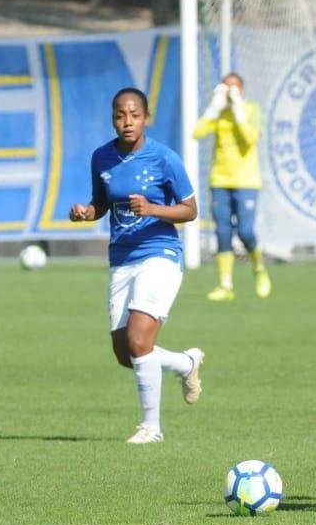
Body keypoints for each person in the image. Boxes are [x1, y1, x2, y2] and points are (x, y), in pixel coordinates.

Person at [69, 88, 205, 443]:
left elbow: (190, 210)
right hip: (122, 259)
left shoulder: (164, 158)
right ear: (113, 118)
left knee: (139, 341)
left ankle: (151, 428)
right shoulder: (102, 158)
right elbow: (101, 202)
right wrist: (86, 213)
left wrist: (155, 209)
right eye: (119, 115)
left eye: (133, 115)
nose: (126, 122)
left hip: (160, 254)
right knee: (125, 353)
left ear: (146, 118)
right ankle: (185, 363)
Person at [192, 72, 271, 301]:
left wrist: (237, 111)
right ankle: (225, 285)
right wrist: (213, 109)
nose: (229, 93)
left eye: (233, 88)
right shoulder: (218, 114)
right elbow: (196, 133)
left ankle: (258, 267)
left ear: (242, 90)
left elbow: (250, 138)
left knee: (245, 231)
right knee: (223, 231)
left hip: (246, 181)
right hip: (219, 180)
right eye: (225, 88)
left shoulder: (251, 109)